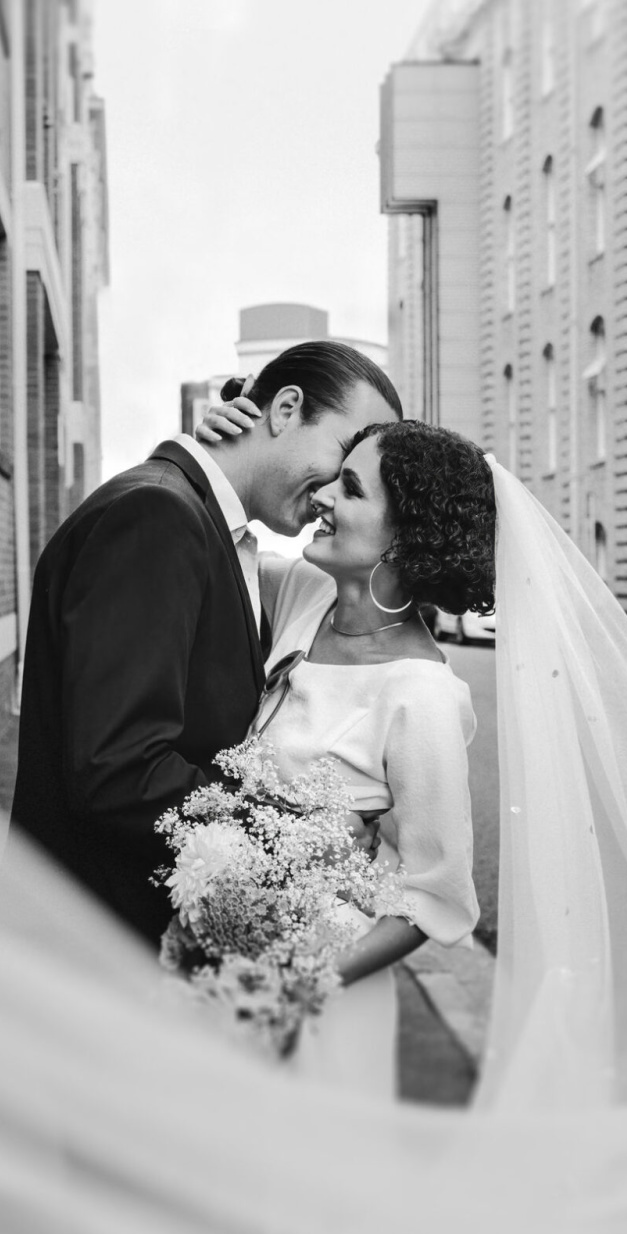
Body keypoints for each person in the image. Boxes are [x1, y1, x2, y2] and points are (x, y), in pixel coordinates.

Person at [9, 341, 403, 947]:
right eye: (344, 457)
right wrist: (297, 836)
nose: (331, 496)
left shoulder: (207, 527)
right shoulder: (156, 516)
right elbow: (119, 769)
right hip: (99, 945)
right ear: (285, 409)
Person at [200, 401, 491, 1096]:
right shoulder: (307, 594)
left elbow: (434, 900)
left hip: (327, 996)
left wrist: (303, 982)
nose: (323, 497)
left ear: (404, 541)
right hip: (236, 961)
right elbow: (220, 536)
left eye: (352, 489)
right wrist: (218, 449)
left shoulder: (420, 697)